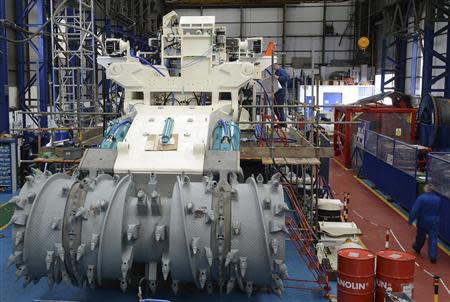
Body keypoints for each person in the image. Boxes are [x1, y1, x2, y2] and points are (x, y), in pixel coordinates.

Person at [408, 184, 442, 263]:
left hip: (423, 221)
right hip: (434, 222)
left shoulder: (421, 198)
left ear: (426, 189)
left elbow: (415, 210)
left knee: (421, 236)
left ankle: (417, 247)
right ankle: (433, 256)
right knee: (433, 238)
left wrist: (411, 220)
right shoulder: (438, 199)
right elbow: (439, 210)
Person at [272, 63, 289, 128]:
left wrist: (277, 77)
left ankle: (283, 123)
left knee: (279, 107)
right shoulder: (277, 72)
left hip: (281, 92)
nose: (273, 68)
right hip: (277, 91)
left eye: (273, 66)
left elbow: (285, 78)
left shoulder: (281, 71)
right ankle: (281, 122)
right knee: (275, 107)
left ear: (276, 65)